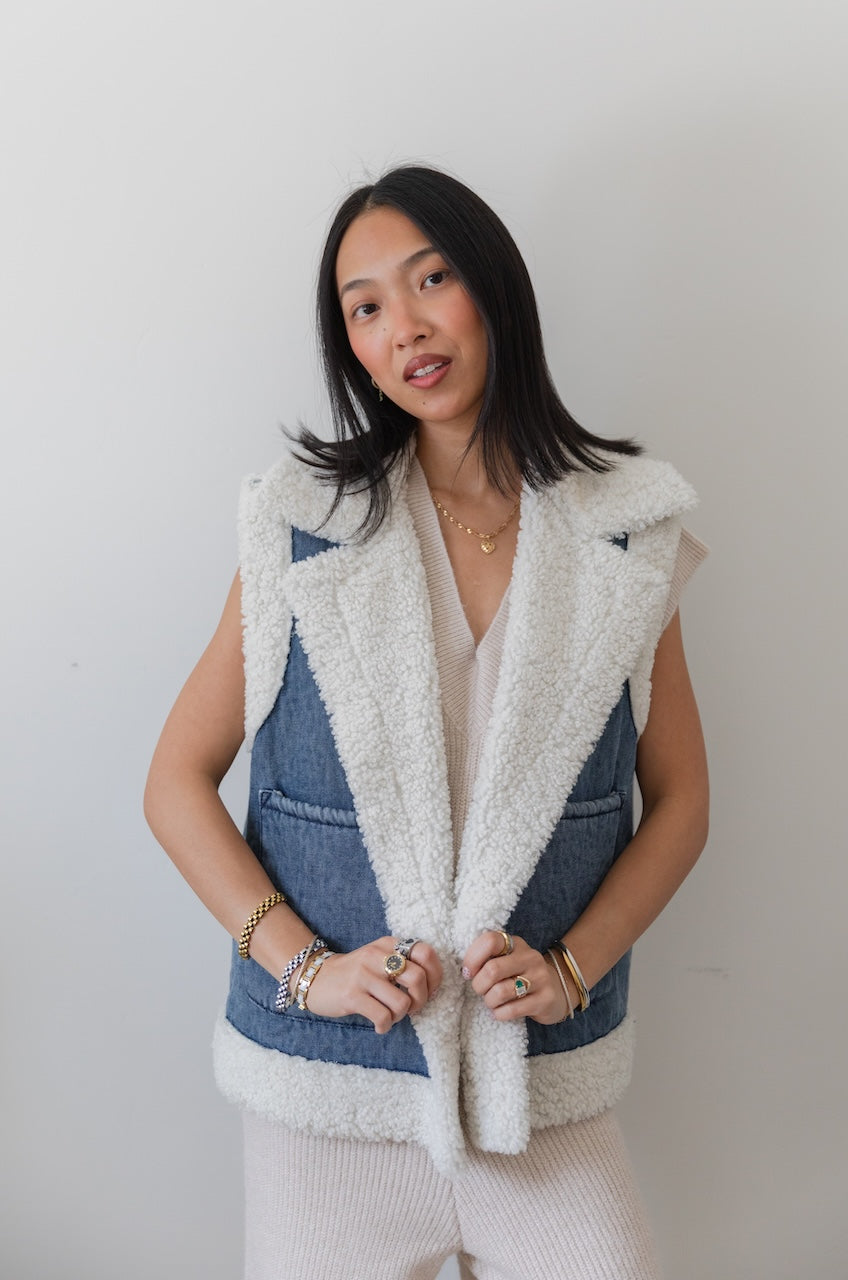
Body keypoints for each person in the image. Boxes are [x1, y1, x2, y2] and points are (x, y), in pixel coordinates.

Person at [144, 165, 709, 1280]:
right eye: (363, 307)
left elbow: (681, 800)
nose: (402, 325)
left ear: (490, 287)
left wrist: (573, 966)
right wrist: (307, 968)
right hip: (329, 1104)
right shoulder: (300, 531)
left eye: (429, 279)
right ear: (349, 344)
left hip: (535, 1093)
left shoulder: (625, 536)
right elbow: (175, 778)